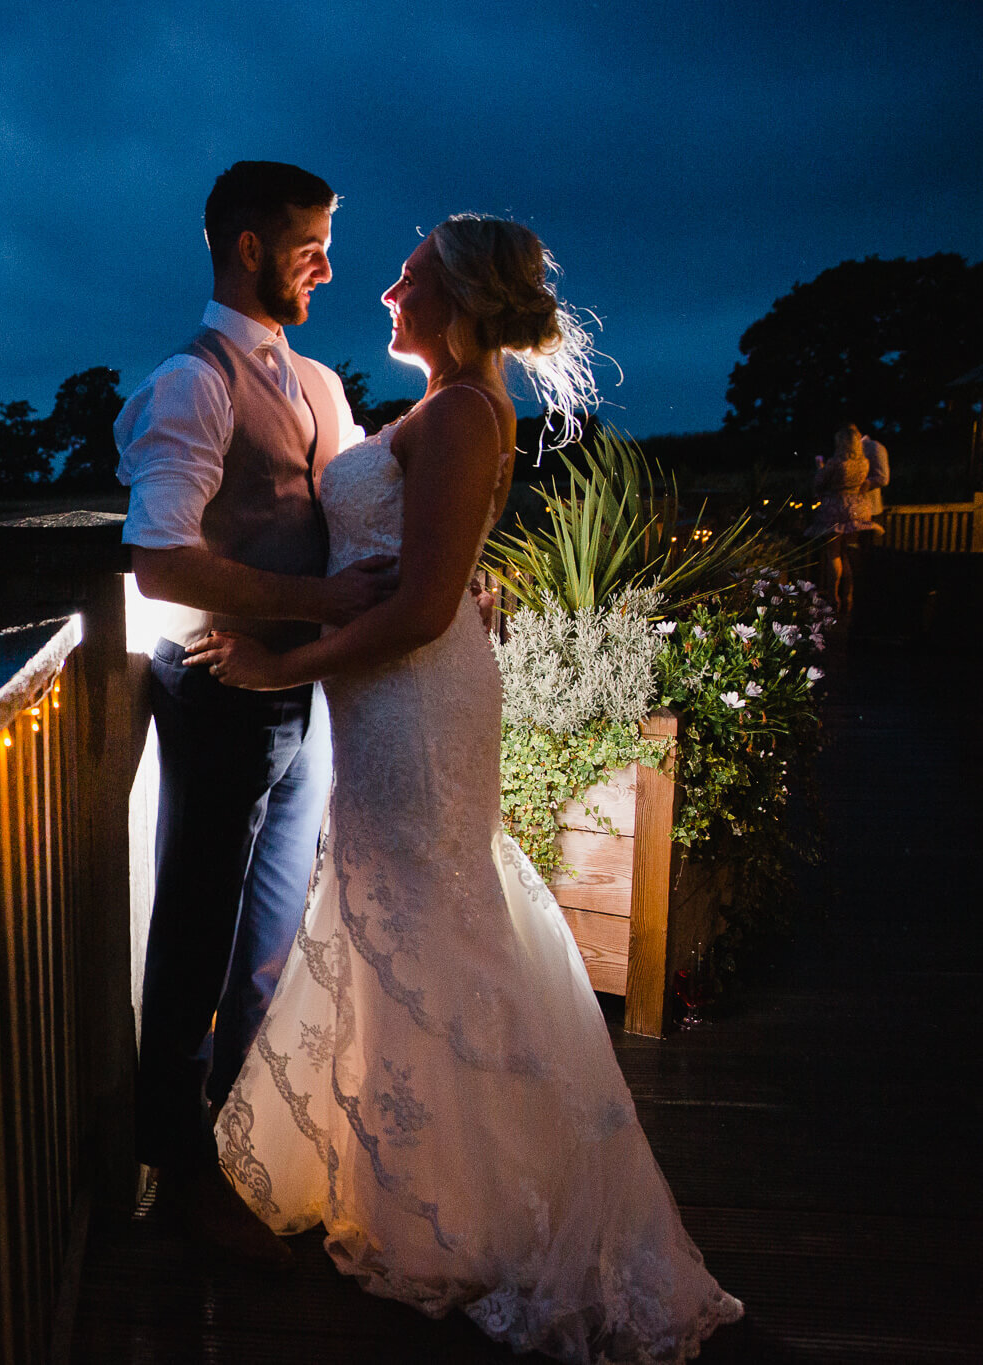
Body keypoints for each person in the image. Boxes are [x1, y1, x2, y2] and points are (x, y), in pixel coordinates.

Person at [187, 215, 743, 1362]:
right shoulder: (455, 410)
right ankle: (410, 1179)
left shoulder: (454, 414)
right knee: (411, 907)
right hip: (401, 699)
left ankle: (466, 1207)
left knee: (423, 910)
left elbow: (421, 608)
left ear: (458, 301)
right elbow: (434, 569)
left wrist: (274, 663)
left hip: (412, 699)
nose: (382, 291)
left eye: (405, 277)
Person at [113, 160, 395, 1263]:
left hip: (304, 693)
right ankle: (172, 1171)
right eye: (305, 243)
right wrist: (313, 602)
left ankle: (241, 1144)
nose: (325, 263)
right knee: (195, 929)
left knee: (268, 941)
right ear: (244, 246)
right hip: (222, 693)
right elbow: (155, 558)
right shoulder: (191, 382)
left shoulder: (319, 381)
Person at [808, 424, 876, 621]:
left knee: (834, 553)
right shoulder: (864, 462)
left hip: (835, 507)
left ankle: (833, 596)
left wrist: (819, 467)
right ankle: (849, 595)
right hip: (858, 508)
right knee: (850, 553)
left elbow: (819, 482)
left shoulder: (836, 462)